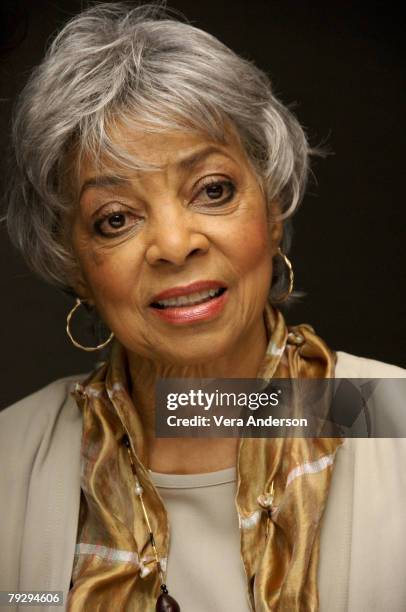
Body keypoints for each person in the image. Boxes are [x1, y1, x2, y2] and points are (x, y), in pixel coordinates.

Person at [1, 3, 405, 611]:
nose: (173, 243)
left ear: (272, 211)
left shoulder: (393, 421)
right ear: (73, 264)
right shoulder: (11, 456)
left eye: (212, 190)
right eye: (116, 219)